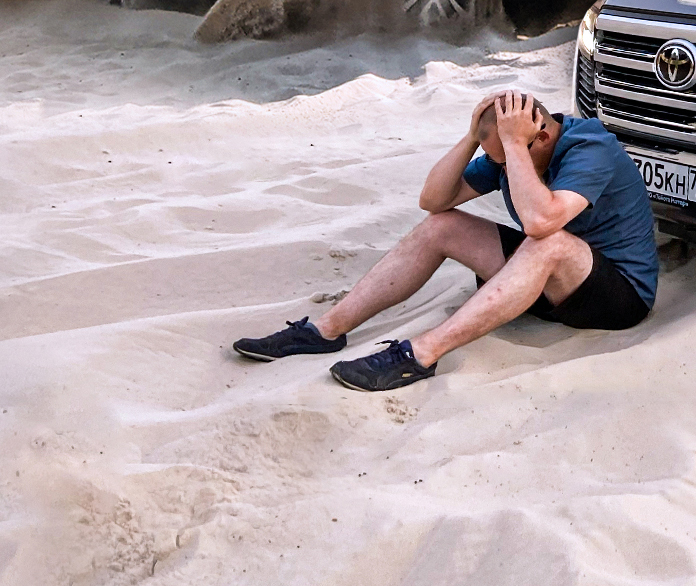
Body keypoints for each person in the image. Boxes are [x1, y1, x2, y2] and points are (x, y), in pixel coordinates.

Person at [231, 90, 659, 390]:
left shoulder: (590, 147)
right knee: (442, 225)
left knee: (547, 240)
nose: (502, 168)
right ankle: (326, 330)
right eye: (497, 159)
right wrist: (474, 138)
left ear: (542, 136)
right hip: (543, 289)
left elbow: (540, 221)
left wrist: (512, 146)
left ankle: (420, 355)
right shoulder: (507, 153)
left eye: (508, 156)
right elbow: (433, 200)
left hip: (616, 297)